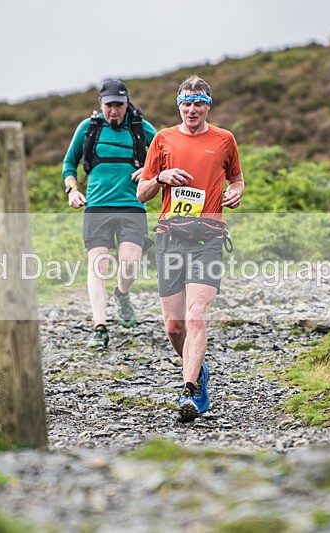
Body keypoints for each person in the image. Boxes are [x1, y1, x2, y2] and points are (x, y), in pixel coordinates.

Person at [137, 75, 244, 422]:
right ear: (178, 105)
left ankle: (190, 391)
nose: (192, 109)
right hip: (169, 238)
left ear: (208, 105)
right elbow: (142, 193)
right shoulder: (162, 139)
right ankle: (198, 371)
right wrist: (160, 178)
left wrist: (236, 192)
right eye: (186, 102)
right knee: (174, 327)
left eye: (199, 103)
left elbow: (236, 179)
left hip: (209, 239)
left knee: (197, 314)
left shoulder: (224, 140)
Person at [62, 79, 157, 349]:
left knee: (129, 263)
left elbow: (166, 152)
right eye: (109, 105)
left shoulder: (140, 127)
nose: (113, 111)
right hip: (97, 206)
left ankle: (122, 295)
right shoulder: (88, 128)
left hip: (132, 205)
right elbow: (70, 162)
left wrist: (150, 171)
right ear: (101, 105)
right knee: (98, 264)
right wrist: (71, 189)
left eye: (119, 105)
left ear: (127, 104)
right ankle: (100, 327)